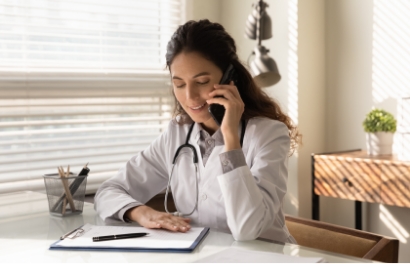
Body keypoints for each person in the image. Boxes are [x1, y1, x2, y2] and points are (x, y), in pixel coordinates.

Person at [94, 19, 300, 243]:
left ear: (229, 78)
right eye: (179, 84)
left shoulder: (268, 135)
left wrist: (230, 137)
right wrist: (142, 212)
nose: (190, 97)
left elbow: (247, 229)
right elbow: (108, 191)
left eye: (201, 81)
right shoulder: (177, 134)